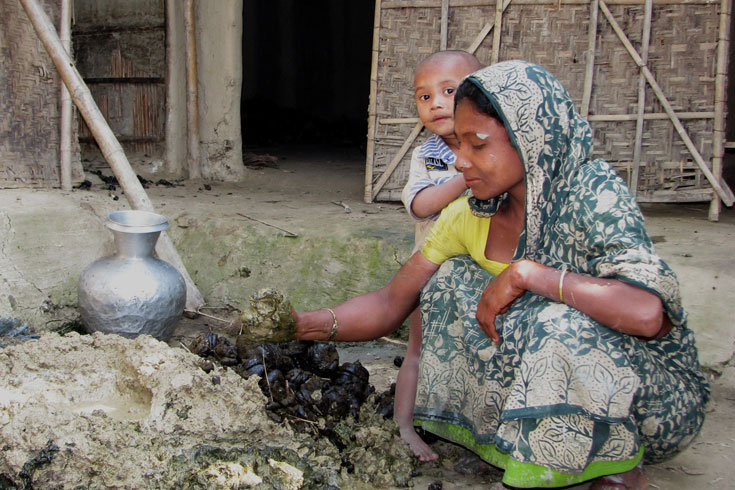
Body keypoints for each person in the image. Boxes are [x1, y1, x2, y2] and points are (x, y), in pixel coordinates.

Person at [294, 60, 709, 489]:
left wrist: (527, 273)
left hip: (650, 401)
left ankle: (617, 464)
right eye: (458, 144)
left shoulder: (591, 192)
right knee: (449, 281)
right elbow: (391, 301)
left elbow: (646, 314)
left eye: (477, 144)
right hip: (557, 378)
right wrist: (304, 325)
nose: (459, 162)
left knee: (558, 322)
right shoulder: (472, 210)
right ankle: (515, 439)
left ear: (531, 139)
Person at [397, 49, 482, 462]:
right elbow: (420, 205)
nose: (435, 104)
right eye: (424, 96)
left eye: (449, 91)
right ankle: (405, 426)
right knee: (417, 348)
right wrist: (467, 178)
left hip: (479, 273)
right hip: (428, 270)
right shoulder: (426, 155)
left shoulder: (495, 147)